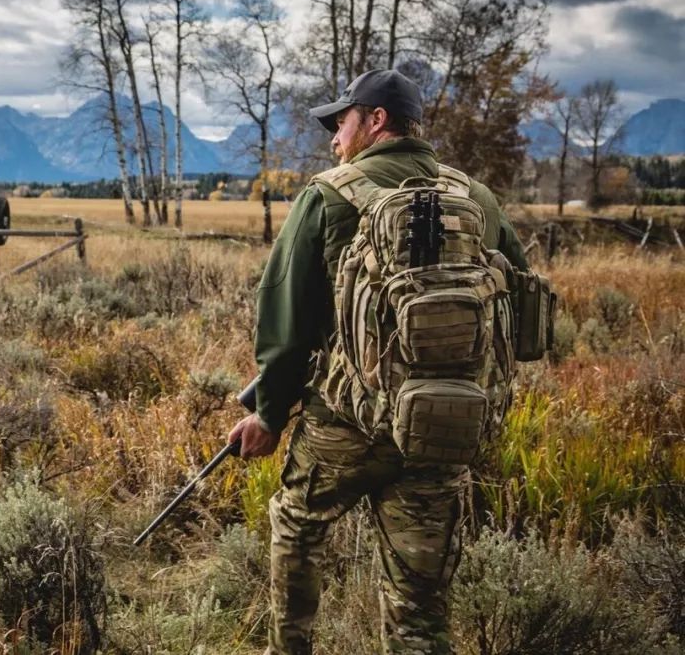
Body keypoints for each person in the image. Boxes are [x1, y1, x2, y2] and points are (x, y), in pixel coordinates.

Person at [226, 69, 529, 655]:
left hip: (349, 424)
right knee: (419, 603)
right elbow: (526, 315)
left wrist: (269, 414)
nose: (335, 138)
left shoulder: (328, 194)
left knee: (297, 522)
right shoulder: (478, 198)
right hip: (443, 426)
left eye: (342, 122)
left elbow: (284, 325)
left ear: (376, 120)